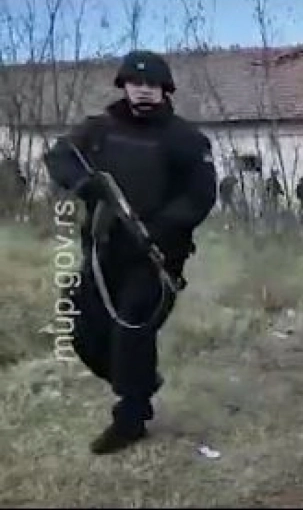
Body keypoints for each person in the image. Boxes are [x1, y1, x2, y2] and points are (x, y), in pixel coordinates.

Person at [42, 50, 217, 454]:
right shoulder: (98, 129)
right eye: (136, 83)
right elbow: (59, 157)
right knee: (81, 330)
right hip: (103, 249)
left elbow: (200, 196)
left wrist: (158, 229)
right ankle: (140, 381)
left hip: (155, 256)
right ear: (124, 86)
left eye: (152, 84)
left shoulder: (185, 139)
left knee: (132, 330)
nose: (143, 91)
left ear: (165, 90)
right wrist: (84, 183)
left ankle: (131, 418)